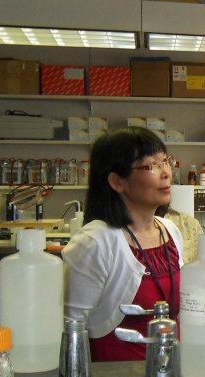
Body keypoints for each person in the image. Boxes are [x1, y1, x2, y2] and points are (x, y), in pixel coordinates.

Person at [63, 127, 184, 362]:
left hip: (169, 376)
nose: (166, 172)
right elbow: (70, 330)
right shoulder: (96, 241)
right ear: (117, 181)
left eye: (166, 161)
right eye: (152, 165)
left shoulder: (169, 229)